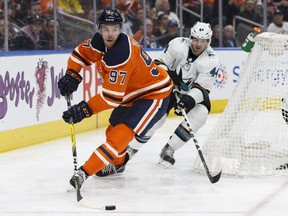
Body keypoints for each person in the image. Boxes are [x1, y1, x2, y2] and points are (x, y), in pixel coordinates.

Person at [57, 8, 173, 189]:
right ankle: (118, 163)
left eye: (114, 29)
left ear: (121, 29)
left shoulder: (121, 54)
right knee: (111, 131)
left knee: (118, 137)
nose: (110, 34)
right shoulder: (98, 42)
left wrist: (84, 110)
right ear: (99, 29)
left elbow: (111, 98)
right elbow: (79, 55)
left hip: (153, 95)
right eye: (105, 29)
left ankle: (84, 172)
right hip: (132, 93)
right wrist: (72, 73)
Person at [96, 21, 219, 176]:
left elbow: (203, 88)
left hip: (190, 93)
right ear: (190, 37)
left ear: (208, 41)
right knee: (155, 120)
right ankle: (125, 155)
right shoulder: (177, 44)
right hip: (166, 86)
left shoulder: (211, 60)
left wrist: (188, 100)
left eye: (202, 41)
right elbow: (158, 63)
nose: (198, 44)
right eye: (195, 39)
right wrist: (168, 75)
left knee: (200, 115)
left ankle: (170, 148)